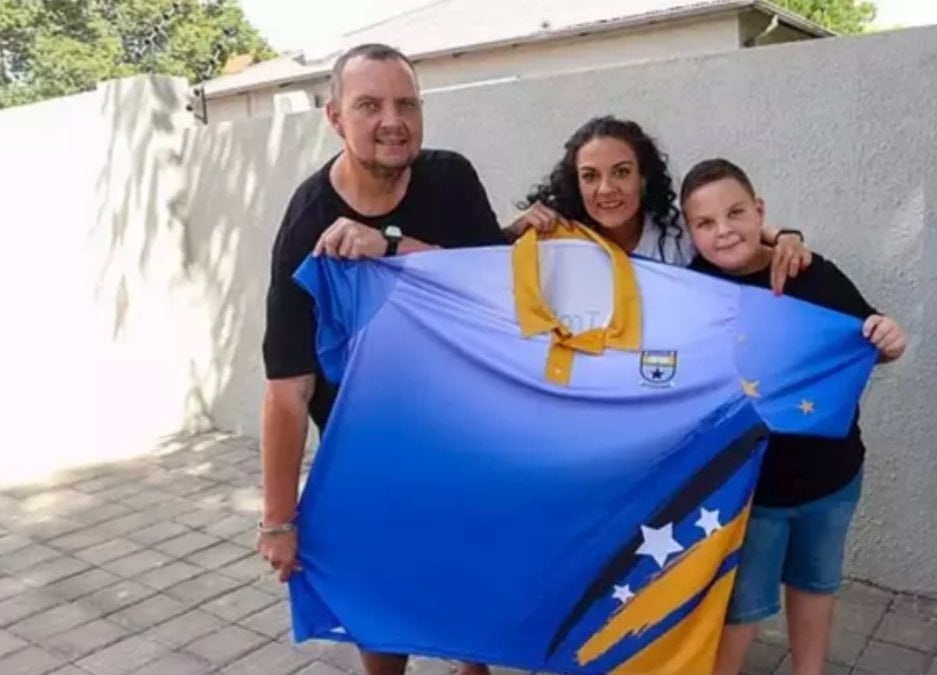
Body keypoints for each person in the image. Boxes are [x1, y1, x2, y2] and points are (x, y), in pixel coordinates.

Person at [257, 42, 501, 675]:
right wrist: (278, 520)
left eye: (406, 104)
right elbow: (287, 389)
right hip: (365, 459)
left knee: (470, 611)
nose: (393, 121)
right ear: (335, 118)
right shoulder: (308, 221)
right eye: (369, 106)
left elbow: (497, 290)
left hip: (461, 441)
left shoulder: (451, 179)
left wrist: (389, 245)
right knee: (380, 618)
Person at [678, 158, 906, 675]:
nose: (723, 230)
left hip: (831, 479)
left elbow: (868, 339)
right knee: (741, 608)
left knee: (816, 584)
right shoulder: (691, 294)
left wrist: (889, 340)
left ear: (759, 211)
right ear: (690, 232)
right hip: (746, 495)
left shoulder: (811, 271)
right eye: (705, 222)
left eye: (735, 213)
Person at [507, 115, 812, 291]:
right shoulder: (556, 237)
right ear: (576, 183)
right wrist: (512, 231)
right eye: (590, 176)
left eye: (621, 172)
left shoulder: (676, 233)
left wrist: (784, 237)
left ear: (643, 177)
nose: (606, 189)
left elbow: (725, 230)